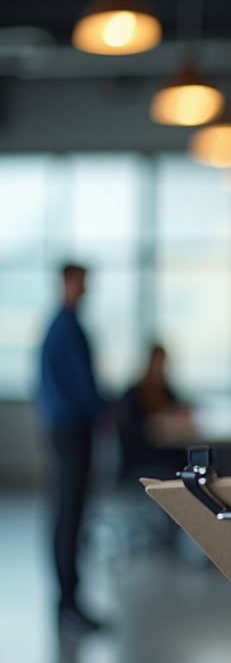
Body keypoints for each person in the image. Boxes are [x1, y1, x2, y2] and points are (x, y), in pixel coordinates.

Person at [36, 263, 107, 633]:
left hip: (66, 427)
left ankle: (68, 600)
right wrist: (106, 410)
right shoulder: (66, 328)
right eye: (81, 281)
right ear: (67, 282)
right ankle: (68, 603)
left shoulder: (62, 325)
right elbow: (82, 387)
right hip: (71, 429)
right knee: (70, 513)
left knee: (69, 511)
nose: (86, 288)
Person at [117, 343, 187, 482]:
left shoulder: (165, 390)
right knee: (178, 462)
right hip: (144, 453)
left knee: (190, 459)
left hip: (166, 447)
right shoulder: (134, 394)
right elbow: (136, 428)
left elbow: (177, 410)